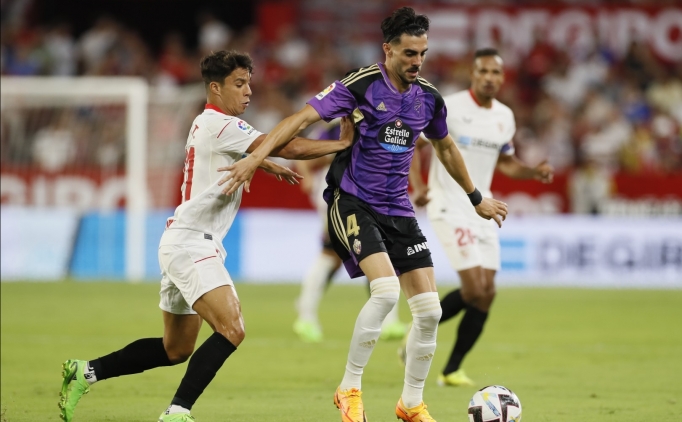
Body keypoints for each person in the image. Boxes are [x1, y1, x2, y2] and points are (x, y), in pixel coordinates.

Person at [218, 8, 508, 422]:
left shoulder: (428, 98)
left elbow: (444, 147)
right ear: (388, 49)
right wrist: (255, 158)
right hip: (353, 200)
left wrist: (476, 197)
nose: (417, 62)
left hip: (398, 207)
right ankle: (349, 389)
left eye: (422, 53)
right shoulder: (360, 85)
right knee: (386, 292)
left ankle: (411, 404)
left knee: (430, 311)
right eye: (409, 53)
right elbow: (299, 120)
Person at [58, 50, 354, 422]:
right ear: (215, 88)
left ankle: (85, 372)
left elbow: (231, 154)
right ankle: (177, 411)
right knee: (232, 328)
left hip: (181, 241)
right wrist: (340, 144)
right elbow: (288, 145)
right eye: (239, 84)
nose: (248, 92)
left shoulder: (207, 123)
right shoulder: (221, 123)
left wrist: (262, 164)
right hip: (192, 244)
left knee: (176, 348)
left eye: (249, 83)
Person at [407, 48, 554, 387]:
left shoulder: (505, 116)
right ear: (473, 74)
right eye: (483, 71)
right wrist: (418, 185)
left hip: (482, 206)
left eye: (495, 72)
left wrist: (532, 172)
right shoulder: (450, 106)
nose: (489, 78)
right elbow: (416, 144)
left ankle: (451, 369)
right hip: (448, 203)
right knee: (474, 288)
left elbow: (506, 162)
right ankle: (417, 332)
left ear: (502, 78)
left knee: (487, 293)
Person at [293, 120, 407, 344]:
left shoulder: (380, 118)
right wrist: (306, 175)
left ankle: (388, 321)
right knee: (334, 254)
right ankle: (305, 316)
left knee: (374, 253)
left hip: (368, 192)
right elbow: (305, 152)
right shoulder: (339, 121)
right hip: (339, 191)